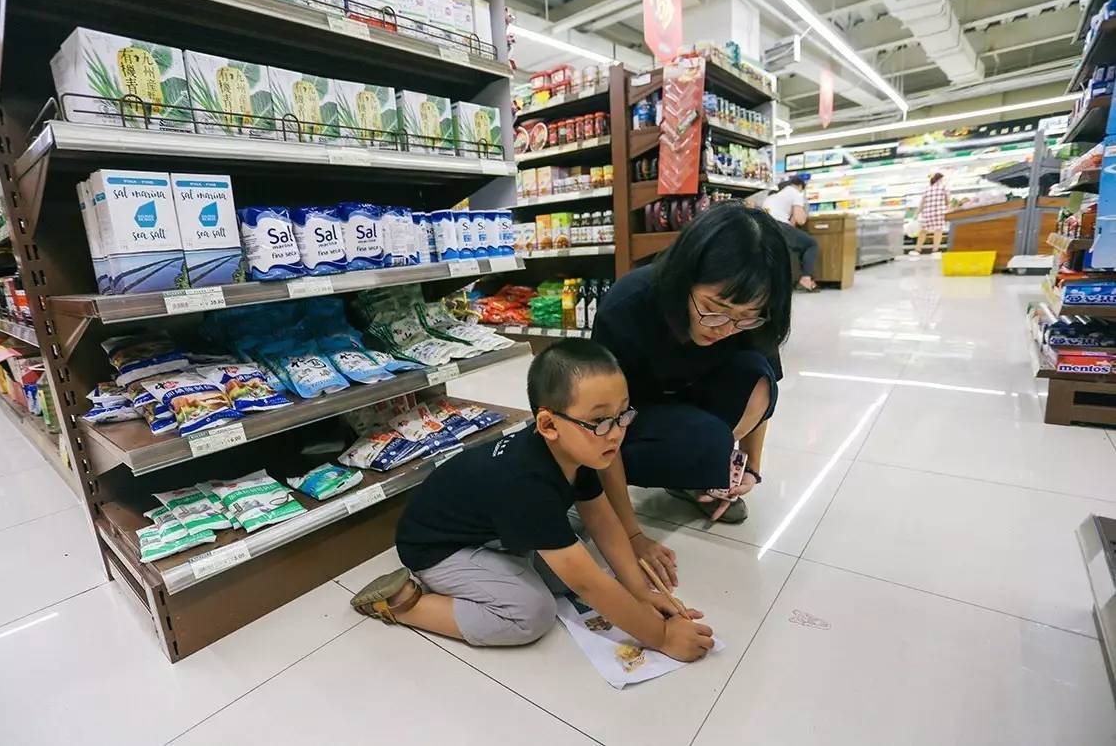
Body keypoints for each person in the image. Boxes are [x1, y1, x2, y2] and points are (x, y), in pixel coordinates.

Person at [349, 339, 715, 662]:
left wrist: (639, 591)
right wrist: (661, 635)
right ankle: (401, 602)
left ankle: (506, 566)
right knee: (531, 613)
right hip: (439, 548)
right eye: (601, 420)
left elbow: (602, 519)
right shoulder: (526, 483)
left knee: (575, 543)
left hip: (489, 529)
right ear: (548, 425)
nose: (617, 433)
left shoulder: (579, 449)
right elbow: (588, 583)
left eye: (623, 414)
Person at [591, 201, 792, 587]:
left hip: (687, 406)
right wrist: (630, 534)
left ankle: (697, 474)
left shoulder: (751, 315)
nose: (725, 327)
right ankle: (687, 468)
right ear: (685, 278)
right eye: (713, 309)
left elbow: (763, 395)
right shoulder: (628, 307)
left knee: (760, 379)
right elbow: (599, 425)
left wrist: (749, 469)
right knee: (705, 441)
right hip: (626, 424)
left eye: (746, 316)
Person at [763, 176, 820, 292]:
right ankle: (805, 279)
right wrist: (802, 210)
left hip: (764, 226)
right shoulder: (795, 192)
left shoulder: (773, 196)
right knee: (811, 244)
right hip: (778, 225)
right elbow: (800, 220)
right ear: (800, 186)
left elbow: (791, 223)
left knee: (792, 246)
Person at [912, 173, 949, 256]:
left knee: (924, 231)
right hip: (939, 212)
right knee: (938, 230)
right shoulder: (944, 188)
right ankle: (935, 251)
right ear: (939, 180)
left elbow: (922, 203)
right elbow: (948, 201)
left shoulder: (927, 189)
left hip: (927, 213)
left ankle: (917, 250)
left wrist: (916, 214)